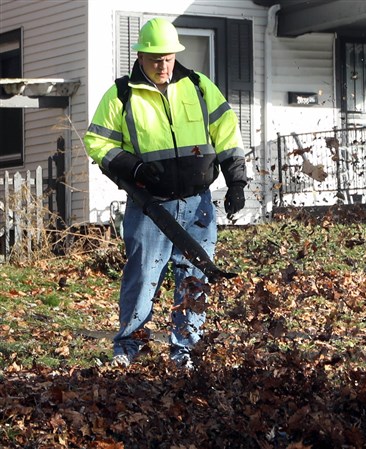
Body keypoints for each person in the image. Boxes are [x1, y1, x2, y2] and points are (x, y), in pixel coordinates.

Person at [84, 17, 247, 369]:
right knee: (143, 274)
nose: (163, 65)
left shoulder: (200, 87)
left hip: (197, 202)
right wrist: (134, 168)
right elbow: (97, 142)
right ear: (141, 55)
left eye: (169, 58)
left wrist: (236, 181)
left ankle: (184, 350)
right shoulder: (122, 94)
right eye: (156, 58)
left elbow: (227, 134)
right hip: (150, 206)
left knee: (194, 275)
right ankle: (130, 347)